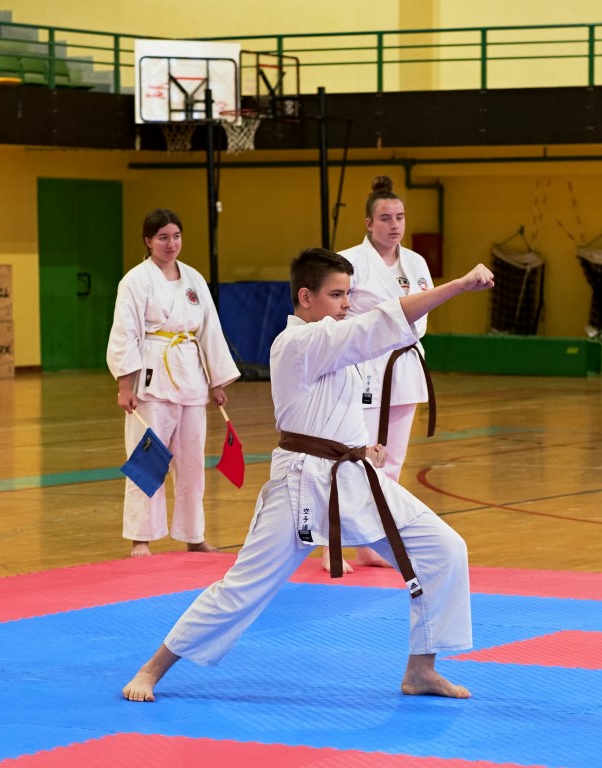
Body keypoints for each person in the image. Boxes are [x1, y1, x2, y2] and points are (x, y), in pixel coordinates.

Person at [121, 248, 494, 703]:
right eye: (336, 295)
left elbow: (328, 408)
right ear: (305, 297)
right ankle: (152, 669)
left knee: (444, 549)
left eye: (348, 294)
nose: (346, 304)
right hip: (300, 487)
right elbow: (379, 323)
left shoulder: (330, 339)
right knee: (242, 588)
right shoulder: (299, 342)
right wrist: (458, 285)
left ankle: (421, 670)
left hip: (354, 478)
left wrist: (361, 447)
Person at [106, 208, 240, 558]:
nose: (171, 243)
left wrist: (216, 381)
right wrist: (125, 385)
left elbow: (210, 330)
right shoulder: (135, 280)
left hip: (192, 378)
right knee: (147, 459)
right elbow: (125, 333)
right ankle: (141, 538)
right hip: (153, 378)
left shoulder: (194, 279)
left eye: (176, 236)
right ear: (148, 241)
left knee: (192, 464)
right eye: (163, 237)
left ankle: (193, 535)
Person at [325, 175, 435, 572]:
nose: (394, 225)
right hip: (365, 369)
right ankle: (333, 544)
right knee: (354, 459)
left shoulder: (416, 263)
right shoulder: (348, 262)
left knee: (391, 463)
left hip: (405, 366)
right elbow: (333, 313)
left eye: (400, 217)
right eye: (385, 218)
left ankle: (373, 543)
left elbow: (424, 313)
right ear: (369, 223)